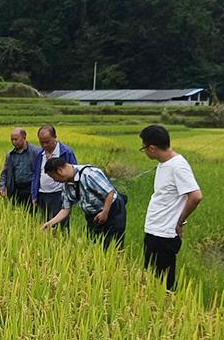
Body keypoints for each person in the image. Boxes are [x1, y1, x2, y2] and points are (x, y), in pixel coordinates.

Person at [139, 125, 203, 291]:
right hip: (154, 230)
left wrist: (180, 222)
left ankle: (167, 306)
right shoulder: (164, 164)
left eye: (143, 148)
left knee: (164, 285)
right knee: (150, 279)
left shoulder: (178, 166)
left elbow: (195, 196)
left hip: (165, 235)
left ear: (152, 148)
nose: (144, 152)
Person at [40, 158, 127, 249]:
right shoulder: (66, 185)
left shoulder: (89, 174)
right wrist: (49, 223)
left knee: (113, 245)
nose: (55, 180)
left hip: (112, 209)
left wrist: (105, 213)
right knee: (94, 245)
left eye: (53, 177)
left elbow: (110, 192)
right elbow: (65, 209)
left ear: (60, 170)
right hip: (93, 215)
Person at [31, 125, 78, 230]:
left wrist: (71, 195)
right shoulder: (39, 154)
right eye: (41, 142)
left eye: (47, 142)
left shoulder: (66, 152)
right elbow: (35, 174)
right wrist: (34, 195)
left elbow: (74, 173)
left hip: (59, 194)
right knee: (45, 223)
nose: (44, 145)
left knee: (61, 225)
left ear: (55, 137)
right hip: (42, 194)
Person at [0, 127, 40, 209]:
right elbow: (5, 173)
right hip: (16, 189)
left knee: (33, 212)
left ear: (24, 138)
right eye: (12, 140)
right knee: (17, 211)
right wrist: (2, 187)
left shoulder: (36, 152)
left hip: (31, 189)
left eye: (16, 139)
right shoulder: (10, 155)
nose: (14, 142)